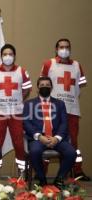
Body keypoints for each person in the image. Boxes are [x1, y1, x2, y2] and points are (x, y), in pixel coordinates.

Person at [40, 38, 90, 181]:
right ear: (56, 49)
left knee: (72, 143)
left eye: (67, 47)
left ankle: (75, 172)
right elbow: (43, 85)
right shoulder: (48, 64)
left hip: (72, 110)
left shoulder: (77, 65)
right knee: (49, 141)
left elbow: (79, 87)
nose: (64, 49)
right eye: (61, 47)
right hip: (52, 111)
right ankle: (41, 173)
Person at [0, 44, 32, 174]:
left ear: (14, 56)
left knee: (19, 143)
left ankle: (22, 172)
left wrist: (18, 99)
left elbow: (27, 89)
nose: (8, 56)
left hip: (16, 113)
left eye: (10, 54)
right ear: (1, 56)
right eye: (5, 54)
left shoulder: (21, 71)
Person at [23, 76, 77, 188]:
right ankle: (42, 180)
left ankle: (59, 179)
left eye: (47, 85)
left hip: (56, 138)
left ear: (51, 87)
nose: (45, 87)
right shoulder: (29, 104)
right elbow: (26, 123)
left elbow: (64, 123)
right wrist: (39, 137)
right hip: (38, 138)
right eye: (42, 85)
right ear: (38, 88)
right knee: (34, 151)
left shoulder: (60, 104)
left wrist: (56, 138)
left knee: (72, 153)